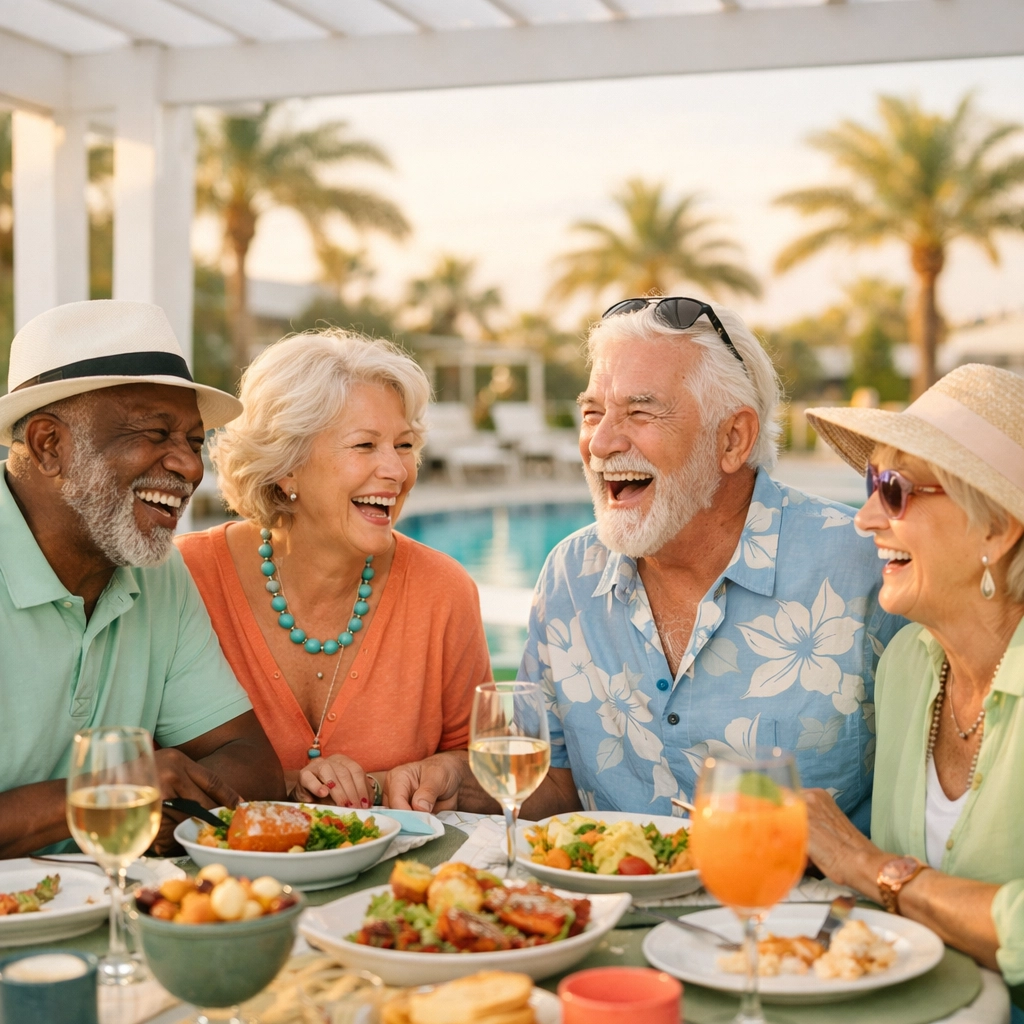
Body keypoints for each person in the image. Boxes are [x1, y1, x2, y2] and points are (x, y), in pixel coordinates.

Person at [392, 297, 905, 822]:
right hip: (611, 902)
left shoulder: (865, 567)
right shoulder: (570, 576)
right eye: (592, 413)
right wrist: (457, 781)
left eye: (640, 412)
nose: (602, 443)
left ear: (733, 438)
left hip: (789, 902)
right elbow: (557, 783)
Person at [0, 300, 285, 858]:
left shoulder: (157, 571)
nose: (190, 466)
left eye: (194, 441)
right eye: (156, 433)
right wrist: (107, 796)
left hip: (103, 920)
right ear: (47, 445)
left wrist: (164, 810)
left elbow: (250, 757)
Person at [176, 329, 492, 813]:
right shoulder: (185, 578)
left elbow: (490, 766)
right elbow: (142, 766)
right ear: (288, 465)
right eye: (365, 445)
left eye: (404, 445)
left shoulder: (443, 591)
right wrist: (286, 784)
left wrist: (442, 773)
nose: (397, 471)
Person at [798, 364, 1024, 1010]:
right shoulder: (908, 668)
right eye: (871, 484)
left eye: (894, 490)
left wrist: (866, 865)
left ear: (996, 529)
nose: (866, 518)